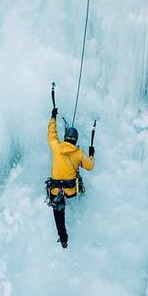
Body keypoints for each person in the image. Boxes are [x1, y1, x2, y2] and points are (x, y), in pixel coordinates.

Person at [45, 103, 95, 248]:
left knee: (58, 212)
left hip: (55, 190)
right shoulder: (78, 153)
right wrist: (91, 154)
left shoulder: (56, 147)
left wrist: (53, 117)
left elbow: (52, 133)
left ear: (66, 137)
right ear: (76, 140)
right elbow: (90, 166)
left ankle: (63, 238)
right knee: (78, 188)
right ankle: (75, 207)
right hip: (71, 191)